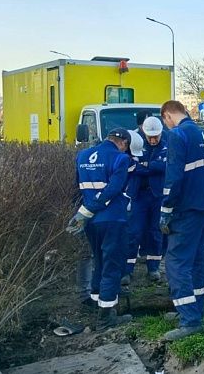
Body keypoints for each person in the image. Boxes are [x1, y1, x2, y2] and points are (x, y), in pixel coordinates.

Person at [158, 100, 204, 341]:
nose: (166, 126)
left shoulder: (177, 135)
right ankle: (194, 310)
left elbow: (174, 176)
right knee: (195, 263)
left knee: (176, 263)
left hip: (186, 209)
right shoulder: (201, 134)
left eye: (164, 122)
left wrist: (166, 209)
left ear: (167, 116)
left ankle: (189, 320)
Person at [67, 128, 134, 329]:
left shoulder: (83, 155)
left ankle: (97, 302)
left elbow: (76, 188)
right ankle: (106, 317)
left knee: (98, 260)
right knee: (112, 264)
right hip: (112, 219)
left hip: (90, 221)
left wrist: (82, 213)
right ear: (123, 143)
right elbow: (113, 189)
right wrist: (89, 208)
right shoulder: (120, 159)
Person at [122, 118, 167, 284]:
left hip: (157, 195)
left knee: (156, 232)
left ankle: (153, 268)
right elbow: (130, 166)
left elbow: (165, 166)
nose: (153, 140)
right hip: (138, 194)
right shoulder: (136, 141)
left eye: (156, 136)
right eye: (150, 137)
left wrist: (144, 165)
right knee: (134, 232)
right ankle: (127, 270)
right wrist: (150, 166)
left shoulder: (168, 144)